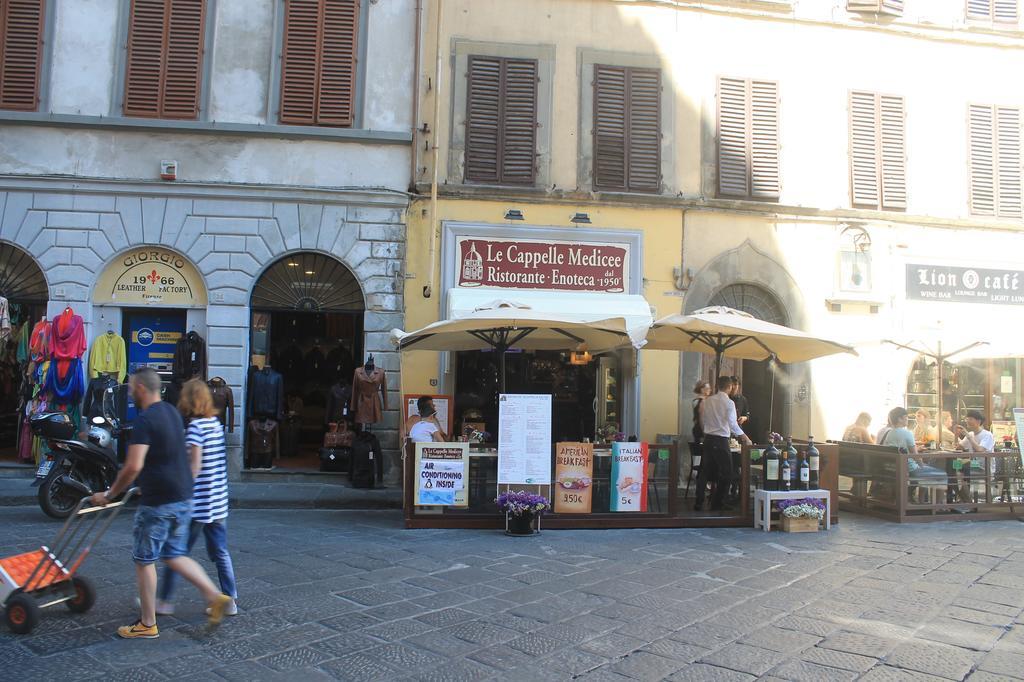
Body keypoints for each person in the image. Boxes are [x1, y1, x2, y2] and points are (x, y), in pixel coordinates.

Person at [89, 368, 232, 639]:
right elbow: (169, 455)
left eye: (132, 387)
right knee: (174, 554)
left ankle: (147, 623)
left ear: (141, 388)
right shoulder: (170, 412)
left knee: (144, 560)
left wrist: (109, 495)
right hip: (184, 497)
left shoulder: (144, 420)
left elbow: (132, 466)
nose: (130, 392)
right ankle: (215, 596)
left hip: (160, 503)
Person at [155, 379, 238, 617]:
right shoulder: (214, 424)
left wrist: (178, 490)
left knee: (176, 553)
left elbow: (194, 467)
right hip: (218, 501)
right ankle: (230, 600)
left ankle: (165, 601)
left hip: (197, 504)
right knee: (221, 552)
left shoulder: (195, 428)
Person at [698, 375, 752, 512]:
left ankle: (699, 502)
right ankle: (718, 503)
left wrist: (706, 432)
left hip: (708, 439)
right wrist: (745, 437)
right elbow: (732, 424)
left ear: (717, 386)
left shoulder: (708, 401)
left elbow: (703, 419)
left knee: (704, 472)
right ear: (729, 387)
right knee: (727, 473)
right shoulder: (729, 403)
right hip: (721, 440)